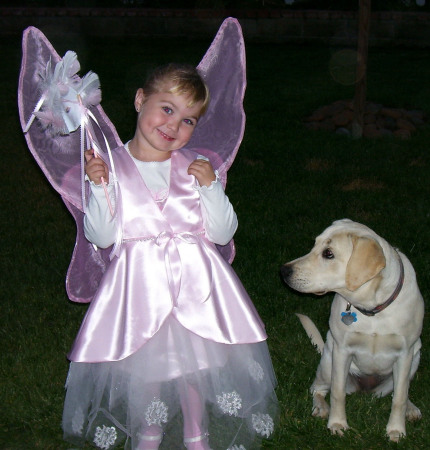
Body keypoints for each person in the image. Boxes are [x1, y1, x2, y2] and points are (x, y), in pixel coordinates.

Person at [61, 62, 277, 450]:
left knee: (195, 366)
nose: (174, 126)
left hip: (196, 288)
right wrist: (99, 187)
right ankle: (149, 430)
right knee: (148, 370)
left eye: (189, 120)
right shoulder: (112, 166)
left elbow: (223, 232)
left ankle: (196, 433)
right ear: (140, 100)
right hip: (140, 289)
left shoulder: (196, 167)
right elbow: (103, 236)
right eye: (167, 108)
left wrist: (211, 187)